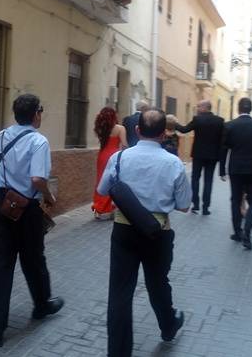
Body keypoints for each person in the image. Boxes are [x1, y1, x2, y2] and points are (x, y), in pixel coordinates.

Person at [98, 109, 191, 355]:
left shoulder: (118, 158)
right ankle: (169, 325)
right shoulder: (173, 163)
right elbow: (184, 205)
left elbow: (103, 188)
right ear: (163, 134)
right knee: (158, 283)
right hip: (157, 232)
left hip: (123, 229)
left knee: (119, 292)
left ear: (137, 131)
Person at [0, 94, 63, 348]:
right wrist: (49, 196)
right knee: (33, 259)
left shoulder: (1, 136)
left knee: (0, 266)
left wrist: (8, 179)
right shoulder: (39, 141)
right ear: (36, 114)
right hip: (27, 209)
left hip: (2, 205)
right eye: (41, 110)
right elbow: (38, 179)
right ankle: (41, 305)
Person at [219, 98, 252, 250]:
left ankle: (237, 232)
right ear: (251, 109)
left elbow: (224, 149)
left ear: (238, 109)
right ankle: (247, 232)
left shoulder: (230, 125)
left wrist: (222, 170)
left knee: (236, 200)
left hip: (236, 169)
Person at [175, 100, 224, 215]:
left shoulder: (197, 119)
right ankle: (206, 208)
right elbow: (222, 140)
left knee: (195, 179)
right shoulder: (219, 121)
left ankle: (196, 205)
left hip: (198, 155)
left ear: (205, 107)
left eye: (199, 106)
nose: (197, 108)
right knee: (208, 181)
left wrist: (174, 123)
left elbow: (184, 130)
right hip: (213, 156)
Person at [93, 107, 128, 219]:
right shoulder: (120, 128)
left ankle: (100, 208)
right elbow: (125, 145)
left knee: (100, 180)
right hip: (114, 156)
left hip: (102, 155)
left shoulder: (101, 128)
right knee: (112, 181)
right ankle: (108, 208)